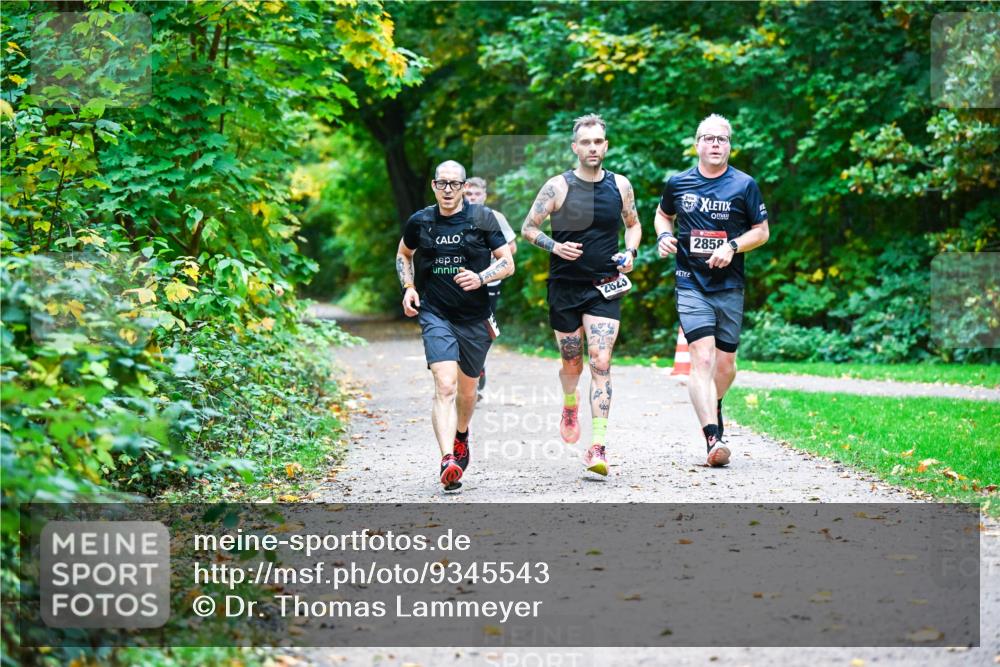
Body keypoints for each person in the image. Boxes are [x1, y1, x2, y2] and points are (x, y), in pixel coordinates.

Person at [521, 114, 641, 476]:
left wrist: (630, 253)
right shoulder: (558, 186)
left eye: (598, 141)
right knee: (572, 363)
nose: (592, 147)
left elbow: (633, 225)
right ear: (575, 147)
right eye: (586, 142)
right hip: (565, 287)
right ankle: (570, 403)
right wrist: (555, 247)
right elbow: (528, 228)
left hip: (604, 287)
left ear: (606, 146)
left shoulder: (620, 186)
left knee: (601, 362)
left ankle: (597, 447)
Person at [654, 113, 771, 467]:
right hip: (690, 282)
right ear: (697, 145)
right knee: (701, 358)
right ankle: (712, 438)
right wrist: (663, 236)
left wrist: (732, 246)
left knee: (726, 365)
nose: (715, 144)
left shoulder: (744, 185)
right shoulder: (679, 183)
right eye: (709, 138)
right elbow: (663, 215)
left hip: (729, 285)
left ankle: (714, 403)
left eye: (722, 139)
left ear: (730, 146)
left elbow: (761, 232)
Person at [396, 160, 515, 490]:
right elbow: (404, 254)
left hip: (475, 317)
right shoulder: (420, 221)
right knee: (445, 385)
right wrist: (409, 287)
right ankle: (447, 459)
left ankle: (461, 434)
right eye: (442, 183)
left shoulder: (483, 218)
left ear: (464, 187)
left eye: (454, 184)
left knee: (467, 391)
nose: (448, 190)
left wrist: (481, 277)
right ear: (434, 186)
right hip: (436, 313)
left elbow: (507, 263)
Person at [464, 177, 518, 399]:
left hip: (489, 282)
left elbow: (512, 247)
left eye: (477, 194)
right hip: (462, 281)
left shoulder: (495, 217)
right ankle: (466, 375)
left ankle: (478, 366)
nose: (473, 198)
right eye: (469, 194)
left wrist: (491, 257)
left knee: (482, 328)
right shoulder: (456, 217)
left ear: (484, 196)